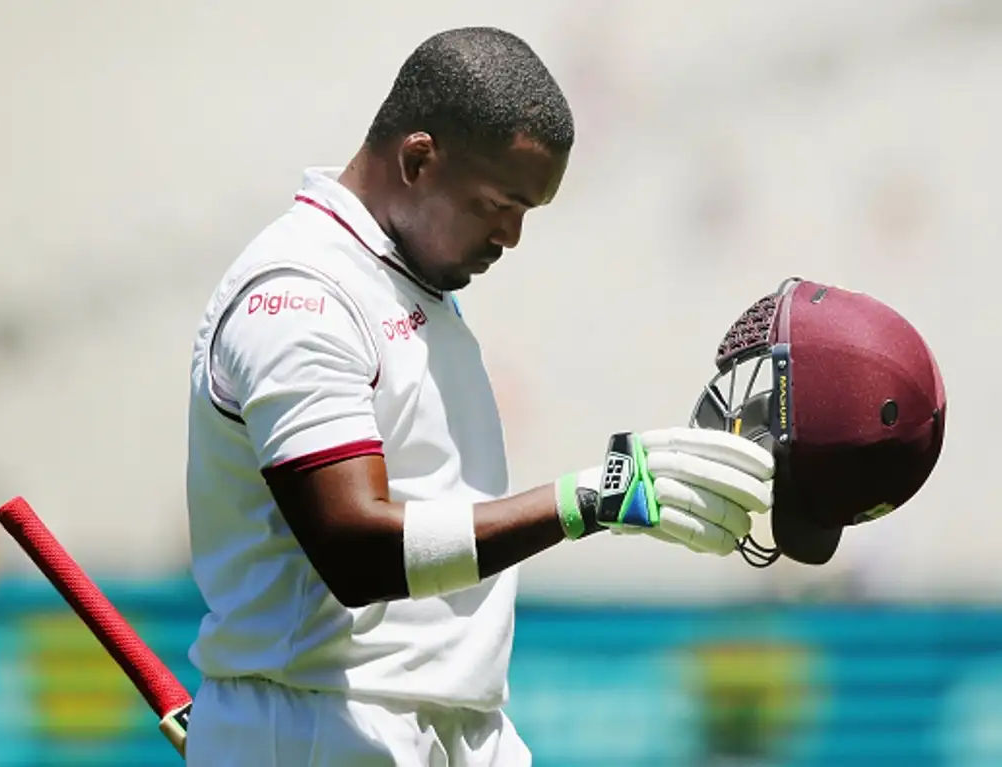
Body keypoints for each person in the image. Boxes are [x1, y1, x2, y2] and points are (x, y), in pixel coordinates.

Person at [182, 26, 774, 766]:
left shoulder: (405, 280)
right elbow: (355, 551)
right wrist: (587, 500)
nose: (512, 236)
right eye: (498, 203)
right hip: (319, 728)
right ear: (418, 160)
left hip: (452, 724)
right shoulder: (302, 296)